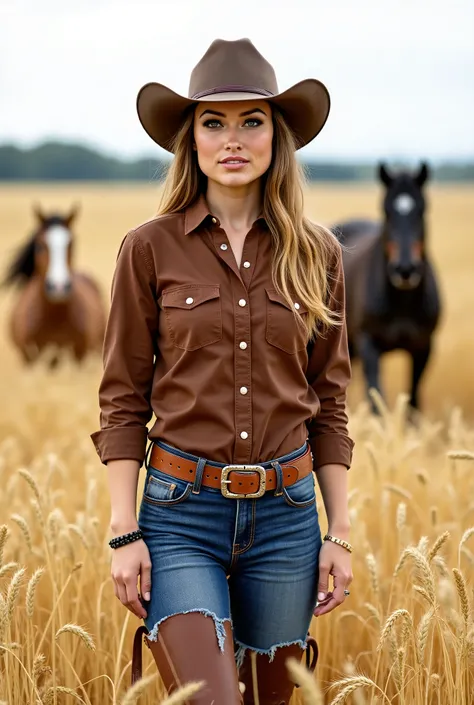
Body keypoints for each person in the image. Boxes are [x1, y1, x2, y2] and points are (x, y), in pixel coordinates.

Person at [91, 37, 354, 705]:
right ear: (192, 140)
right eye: (214, 122)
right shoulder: (147, 250)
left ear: (276, 136)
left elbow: (329, 403)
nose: (232, 139)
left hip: (289, 522)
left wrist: (340, 534)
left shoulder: (319, 253)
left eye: (252, 121)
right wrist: (125, 530)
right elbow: (122, 399)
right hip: (181, 519)